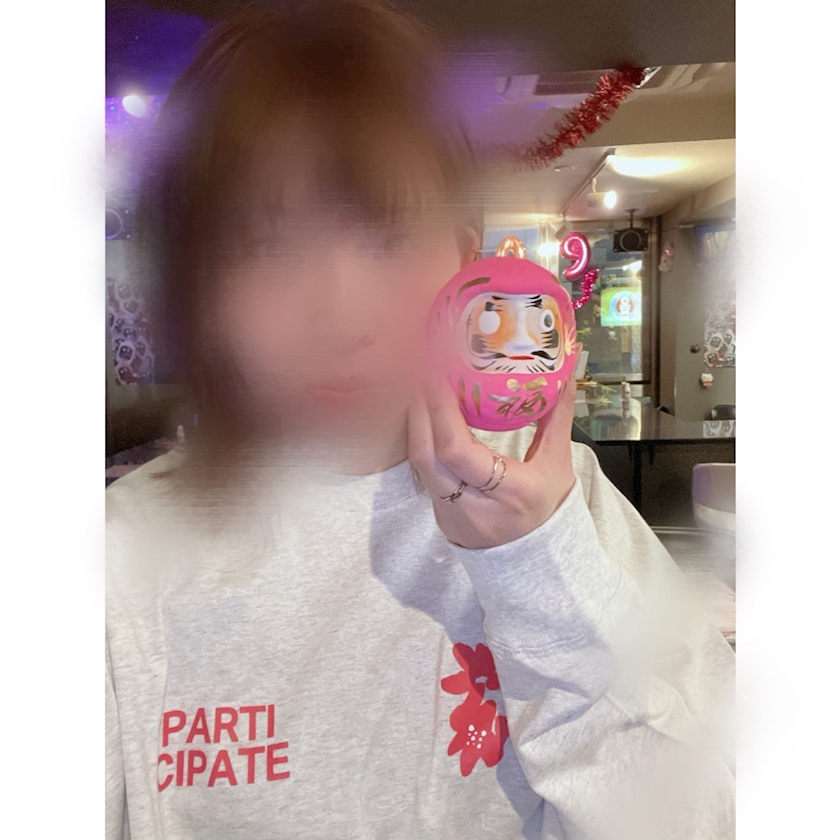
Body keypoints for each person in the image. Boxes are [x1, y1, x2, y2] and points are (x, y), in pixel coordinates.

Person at [106, 2, 735, 838]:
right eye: (264, 243)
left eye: (389, 237)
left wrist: (537, 565)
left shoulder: (552, 501)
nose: (341, 316)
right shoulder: (121, 560)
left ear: (463, 265)